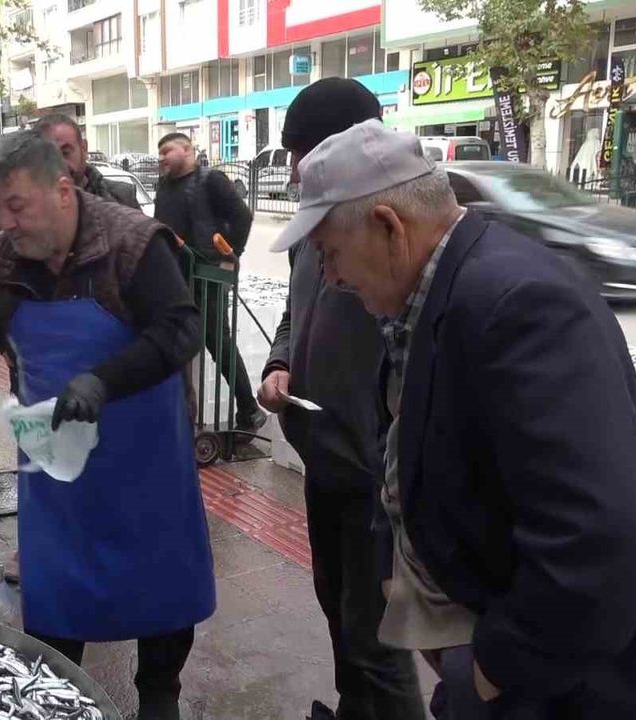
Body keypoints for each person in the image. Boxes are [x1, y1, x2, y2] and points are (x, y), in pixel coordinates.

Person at [288, 119, 636, 719]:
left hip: (564, 689)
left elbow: (602, 536)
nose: (333, 278)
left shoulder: (516, 302)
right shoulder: (440, 288)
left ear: (389, 227)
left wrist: (490, 671)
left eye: (330, 254)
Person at [0, 130, 215, 720]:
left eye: (15, 206)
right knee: (56, 608)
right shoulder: (3, 261)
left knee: (162, 597)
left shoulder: (131, 243)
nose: (6, 222)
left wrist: (103, 380)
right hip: (55, 466)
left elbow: (181, 330)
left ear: (61, 189)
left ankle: (161, 694)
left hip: (146, 464)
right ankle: (58, 699)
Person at [258, 79, 424, 720]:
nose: (295, 173)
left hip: (371, 473)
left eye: (301, 155)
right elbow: (295, 314)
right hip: (324, 459)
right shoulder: (317, 227)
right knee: (338, 607)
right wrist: (279, 361)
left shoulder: (392, 238)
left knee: (379, 633)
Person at [155, 131, 263, 433]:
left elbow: (243, 217)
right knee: (183, 341)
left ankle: (249, 410)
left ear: (187, 150)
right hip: (176, 275)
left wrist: (231, 256)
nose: (161, 157)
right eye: (159, 152)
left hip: (207, 272)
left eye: (167, 150)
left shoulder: (210, 180)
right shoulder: (164, 185)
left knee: (217, 341)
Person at [34, 114, 139, 210]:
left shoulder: (123, 198)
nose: (59, 164)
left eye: (65, 153)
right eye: (49, 156)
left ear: (84, 148)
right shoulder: (28, 209)